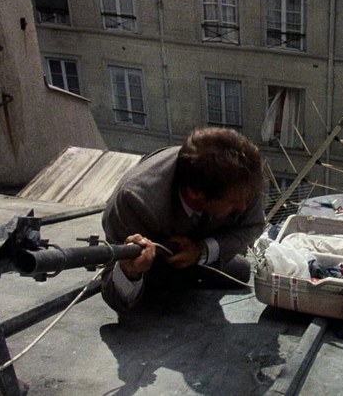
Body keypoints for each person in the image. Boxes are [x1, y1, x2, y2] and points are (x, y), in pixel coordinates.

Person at [100, 127, 266, 313]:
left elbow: (254, 225)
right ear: (195, 193)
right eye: (234, 202)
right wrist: (129, 272)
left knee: (242, 272)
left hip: (203, 261)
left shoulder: (242, 177)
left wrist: (202, 251)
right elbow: (113, 293)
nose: (243, 207)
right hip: (152, 275)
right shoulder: (134, 201)